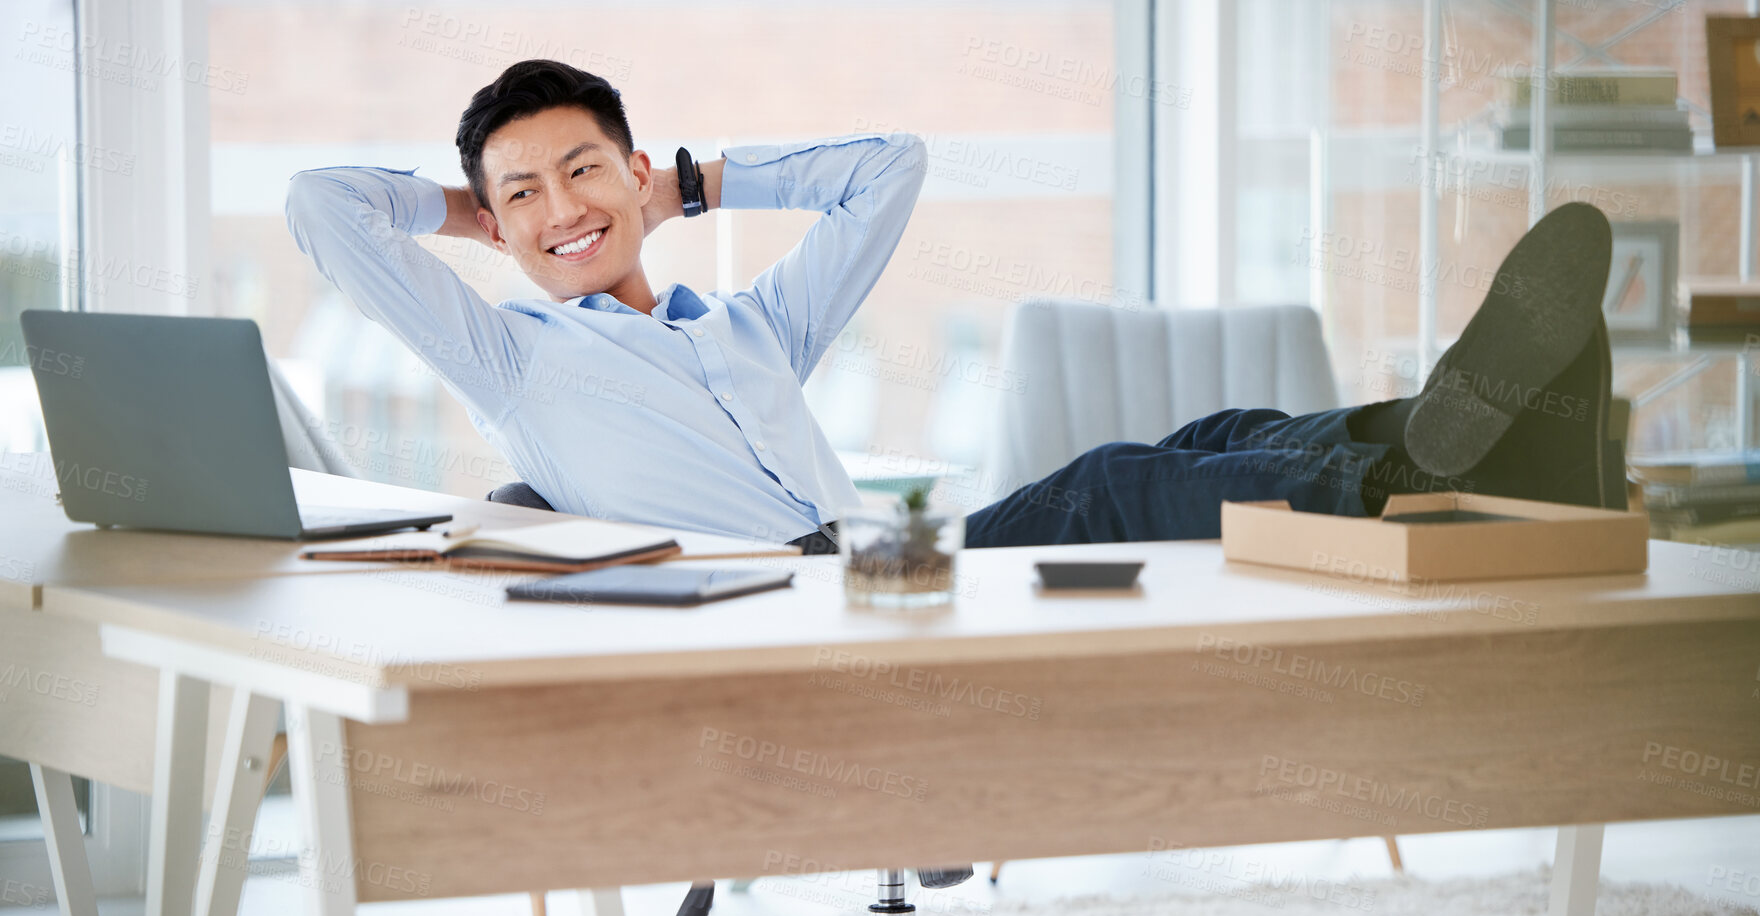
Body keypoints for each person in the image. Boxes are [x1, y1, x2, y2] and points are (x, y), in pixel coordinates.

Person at [285, 59, 1617, 555]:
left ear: (636, 174)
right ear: (494, 221)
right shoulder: (508, 359)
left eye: (583, 170)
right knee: (1105, 485)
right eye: (521, 196)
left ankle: (1464, 441)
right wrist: (467, 211)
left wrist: (693, 186)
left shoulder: (749, 327)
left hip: (887, 580)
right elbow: (318, 209)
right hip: (782, 617)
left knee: (1206, 430)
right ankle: (1418, 464)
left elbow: (890, 169)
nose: (559, 208)